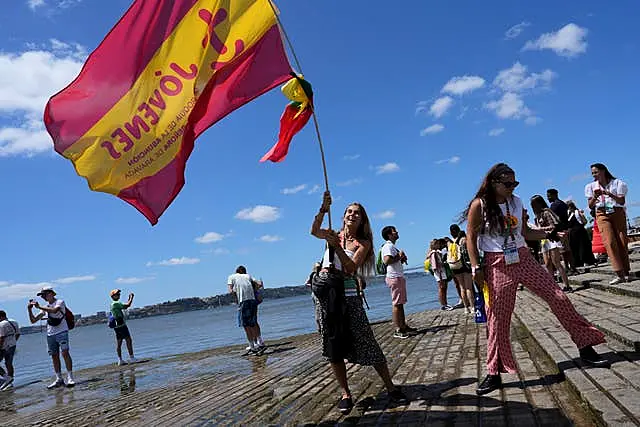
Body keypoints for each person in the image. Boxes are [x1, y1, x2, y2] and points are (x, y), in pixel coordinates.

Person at [464, 163, 609, 396]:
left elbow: (524, 234)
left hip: (523, 257)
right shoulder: (479, 205)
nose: (512, 187)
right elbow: (470, 237)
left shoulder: (517, 201)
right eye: (507, 184)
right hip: (496, 262)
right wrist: (474, 267)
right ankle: (493, 372)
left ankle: (585, 345)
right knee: (498, 318)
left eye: (515, 183)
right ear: (493, 183)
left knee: (559, 297)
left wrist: (549, 233)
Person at [311, 191, 408, 414]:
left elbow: (351, 268)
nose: (353, 215)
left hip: (350, 298)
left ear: (362, 220)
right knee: (333, 347)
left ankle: (390, 387)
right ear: (344, 216)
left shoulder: (363, 243)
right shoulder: (332, 234)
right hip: (327, 297)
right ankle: (346, 393)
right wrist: (324, 209)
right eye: (349, 212)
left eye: (357, 213)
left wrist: (336, 247)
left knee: (367, 340)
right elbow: (314, 231)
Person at [585, 163, 630, 284]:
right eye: (592, 173)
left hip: (617, 211)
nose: (594, 175)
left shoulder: (617, 183)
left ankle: (626, 272)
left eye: (596, 172)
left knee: (622, 241)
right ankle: (619, 274)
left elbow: (621, 200)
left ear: (603, 171)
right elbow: (590, 205)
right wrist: (595, 196)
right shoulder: (591, 186)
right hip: (601, 213)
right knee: (609, 242)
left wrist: (609, 194)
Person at [27, 286, 75, 389]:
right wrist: (29, 310)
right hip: (50, 334)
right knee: (54, 356)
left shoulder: (60, 302)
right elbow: (33, 320)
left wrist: (39, 307)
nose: (43, 297)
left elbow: (54, 310)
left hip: (62, 331)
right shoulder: (45, 307)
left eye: (45, 294)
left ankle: (70, 377)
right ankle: (59, 379)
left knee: (65, 353)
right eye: (42, 295)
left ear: (52, 293)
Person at [530, 195, 573, 292]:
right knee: (548, 264)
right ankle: (553, 286)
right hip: (544, 241)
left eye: (534, 205)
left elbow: (553, 226)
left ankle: (567, 285)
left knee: (556, 262)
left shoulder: (546, 213)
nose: (533, 207)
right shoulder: (537, 216)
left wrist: (540, 229)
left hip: (552, 239)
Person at [380, 225, 416, 338]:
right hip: (394, 277)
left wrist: (400, 258)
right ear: (389, 235)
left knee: (400, 303)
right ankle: (398, 329)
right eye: (394, 231)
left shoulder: (392, 246)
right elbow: (387, 260)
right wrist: (399, 257)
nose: (397, 232)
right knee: (397, 304)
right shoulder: (388, 246)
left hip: (397, 276)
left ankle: (403, 326)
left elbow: (393, 260)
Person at [228, 266, 265, 354]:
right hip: (252, 301)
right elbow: (259, 284)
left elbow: (230, 291)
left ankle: (252, 346)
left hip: (243, 301)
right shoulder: (248, 276)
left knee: (246, 325)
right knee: (253, 322)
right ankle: (259, 343)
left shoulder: (231, 277)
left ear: (236, 272)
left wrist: (236, 292)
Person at [448, 226, 476, 314]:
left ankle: (465, 308)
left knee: (462, 287)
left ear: (451, 232)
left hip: (455, 266)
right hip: (465, 266)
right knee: (469, 288)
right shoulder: (463, 240)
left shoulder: (450, 243)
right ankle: (472, 307)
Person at [547, 189, 575, 274]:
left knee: (564, 251)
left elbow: (554, 219)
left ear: (554, 195)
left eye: (549, 196)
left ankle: (569, 268)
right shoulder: (562, 203)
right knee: (567, 250)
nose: (548, 198)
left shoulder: (555, 205)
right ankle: (571, 267)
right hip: (565, 228)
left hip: (559, 230)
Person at [109, 289, 138, 366]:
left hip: (117, 326)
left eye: (119, 294)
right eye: (117, 294)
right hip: (122, 326)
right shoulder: (116, 303)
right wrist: (131, 298)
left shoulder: (112, 304)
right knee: (128, 340)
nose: (119, 295)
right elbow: (127, 306)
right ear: (113, 296)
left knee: (119, 343)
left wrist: (129, 299)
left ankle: (120, 360)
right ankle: (132, 358)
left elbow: (125, 305)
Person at [567, 201, 597, 269]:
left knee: (583, 247)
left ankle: (587, 260)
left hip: (580, 232)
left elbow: (584, 221)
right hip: (573, 234)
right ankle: (578, 262)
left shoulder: (577, 212)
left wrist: (581, 225)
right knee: (575, 248)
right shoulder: (569, 214)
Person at [427, 239, 453, 311]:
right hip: (440, 272)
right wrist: (442, 265)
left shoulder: (435, 253)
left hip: (440, 272)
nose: (439, 245)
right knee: (442, 288)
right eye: (438, 244)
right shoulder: (434, 253)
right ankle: (444, 304)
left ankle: (444, 304)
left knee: (443, 288)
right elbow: (435, 266)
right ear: (435, 245)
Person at [0, 311, 20, 391]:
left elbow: (1, 338)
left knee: (6, 363)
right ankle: (10, 382)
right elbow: (18, 334)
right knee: (9, 363)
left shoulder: (1, 324)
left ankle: (6, 378)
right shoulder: (14, 322)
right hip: (12, 345)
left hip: (4, 347)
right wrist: (13, 342)